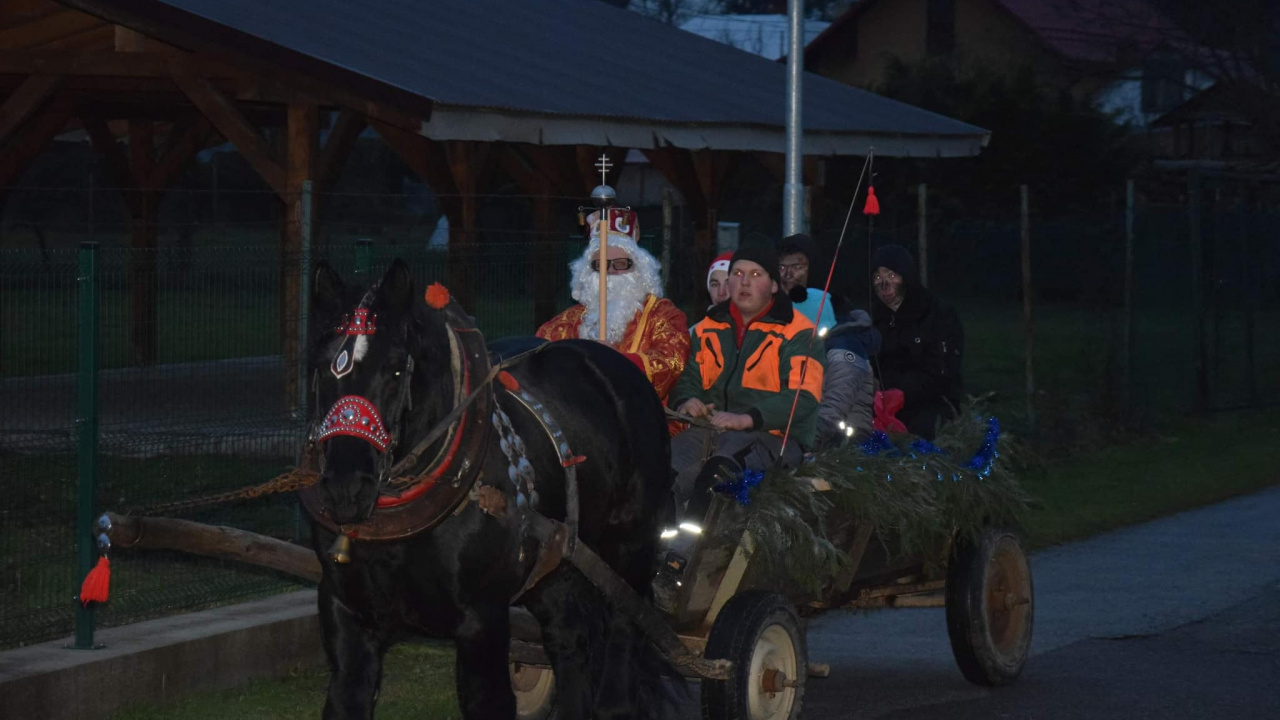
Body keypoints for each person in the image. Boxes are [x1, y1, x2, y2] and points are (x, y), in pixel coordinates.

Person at [664, 235, 826, 560]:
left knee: (721, 468)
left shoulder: (798, 331)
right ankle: (652, 549)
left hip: (775, 436)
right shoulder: (709, 326)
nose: (744, 283)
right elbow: (688, 377)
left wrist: (747, 418)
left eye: (756, 275)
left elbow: (803, 397)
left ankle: (684, 561)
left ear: (775, 285)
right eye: (737, 274)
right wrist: (687, 400)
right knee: (661, 465)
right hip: (711, 429)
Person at [536, 209, 690, 404]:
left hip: (641, 420)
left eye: (620, 263)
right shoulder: (565, 323)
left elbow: (671, 362)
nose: (609, 272)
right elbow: (539, 358)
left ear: (640, 270)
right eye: (599, 265)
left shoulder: (664, 315)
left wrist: (615, 359)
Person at [869, 243, 964, 440]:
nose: (884, 284)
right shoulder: (872, 320)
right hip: (880, 405)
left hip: (930, 403)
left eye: (892, 276)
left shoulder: (937, 314)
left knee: (922, 433)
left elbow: (943, 372)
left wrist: (901, 392)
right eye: (878, 277)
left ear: (906, 276)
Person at [815, 309, 881, 449]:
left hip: (845, 448)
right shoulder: (825, 346)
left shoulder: (844, 349)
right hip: (834, 442)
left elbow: (835, 406)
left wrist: (806, 443)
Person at [778, 232, 836, 334]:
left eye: (797, 267)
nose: (788, 275)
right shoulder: (766, 307)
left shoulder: (832, 306)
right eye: (782, 267)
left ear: (812, 269)